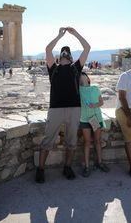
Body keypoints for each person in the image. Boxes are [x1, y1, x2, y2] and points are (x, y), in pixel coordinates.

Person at [35, 27, 90, 183]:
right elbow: (47, 49)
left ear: (71, 58)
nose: (65, 54)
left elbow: (87, 48)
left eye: (67, 53)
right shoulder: (53, 69)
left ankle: (68, 167)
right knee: (48, 140)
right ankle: (40, 169)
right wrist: (60, 35)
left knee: (72, 140)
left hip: (74, 108)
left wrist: (75, 34)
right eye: (62, 53)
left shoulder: (76, 69)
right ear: (58, 58)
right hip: (56, 109)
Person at [79, 72, 109, 177]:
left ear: (88, 78)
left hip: (96, 118)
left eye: (84, 74)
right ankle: (86, 166)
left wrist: (94, 105)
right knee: (87, 142)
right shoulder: (78, 90)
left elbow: (101, 102)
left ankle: (100, 162)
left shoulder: (95, 88)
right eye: (80, 76)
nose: (82, 76)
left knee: (97, 141)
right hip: (84, 119)